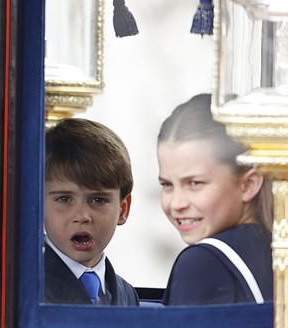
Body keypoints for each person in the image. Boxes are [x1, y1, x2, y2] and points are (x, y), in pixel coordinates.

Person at [157, 93, 273, 305]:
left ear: (248, 185)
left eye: (195, 183)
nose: (177, 204)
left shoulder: (202, 263)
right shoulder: (275, 246)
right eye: (167, 185)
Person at [44, 118, 139, 305]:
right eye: (64, 199)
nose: (82, 216)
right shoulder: (22, 287)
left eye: (98, 200)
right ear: (37, 205)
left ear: (123, 209)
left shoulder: (127, 294)